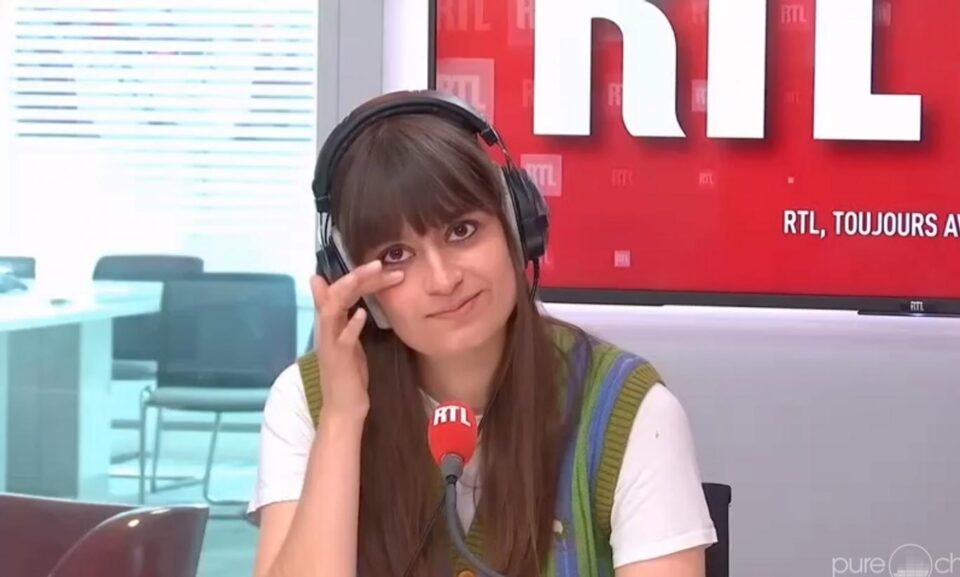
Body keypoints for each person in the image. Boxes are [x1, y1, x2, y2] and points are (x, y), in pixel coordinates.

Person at [247, 90, 717, 577]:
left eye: (462, 231)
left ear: (517, 226)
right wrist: (343, 418)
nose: (443, 280)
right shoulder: (308, 402)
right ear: (353, 279)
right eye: (396, 255)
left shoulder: (626, 408)